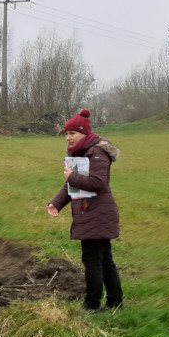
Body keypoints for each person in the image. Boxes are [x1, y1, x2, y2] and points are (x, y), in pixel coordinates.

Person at [47, 109, 123, 314]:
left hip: (97, 214)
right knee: (104, 258)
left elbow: (97, 183)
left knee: (93, 260)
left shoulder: (97, 153)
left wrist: (71, 176)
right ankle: (115, 303)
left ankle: (92, 305)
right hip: (90, 213)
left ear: (84, 134)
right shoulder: (80, 154)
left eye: (72, 133)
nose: (68, 138)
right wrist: (57, 203)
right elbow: (72, 186)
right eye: (66, 134)